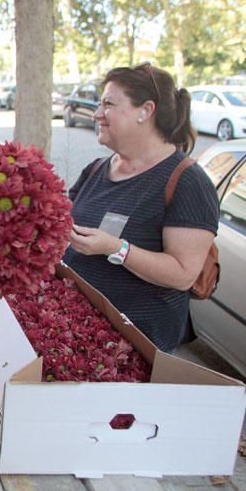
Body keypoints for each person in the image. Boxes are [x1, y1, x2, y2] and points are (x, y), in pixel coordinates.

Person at [64, 62, 219, 353]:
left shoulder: (188, 182)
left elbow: (184, 273)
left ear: (145, 111)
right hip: (74, 338)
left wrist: (116, 248)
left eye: (108, 104)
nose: (98, 114)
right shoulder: (96, 169)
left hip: (134, 352)